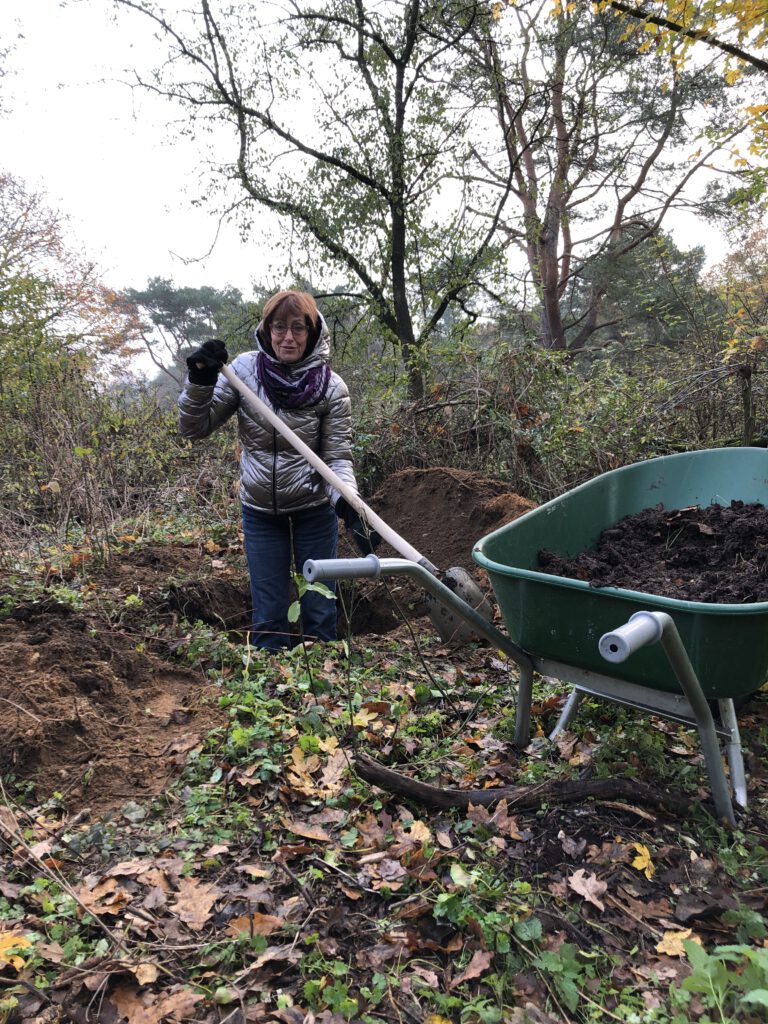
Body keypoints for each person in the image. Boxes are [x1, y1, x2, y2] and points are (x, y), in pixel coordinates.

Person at [178, 289, 379, 651]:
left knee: (319, 608)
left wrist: (349, 504)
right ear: (267, 330)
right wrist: (201, 380)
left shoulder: (332, 388)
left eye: (298, 328)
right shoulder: (242, 372)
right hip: (260, 513)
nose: (288, 337)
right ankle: (270, 677)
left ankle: (326, 674)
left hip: (313, 510)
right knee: (269, 613)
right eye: (279, 327)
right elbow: (194, 428)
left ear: (312, 332)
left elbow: (336, 459)